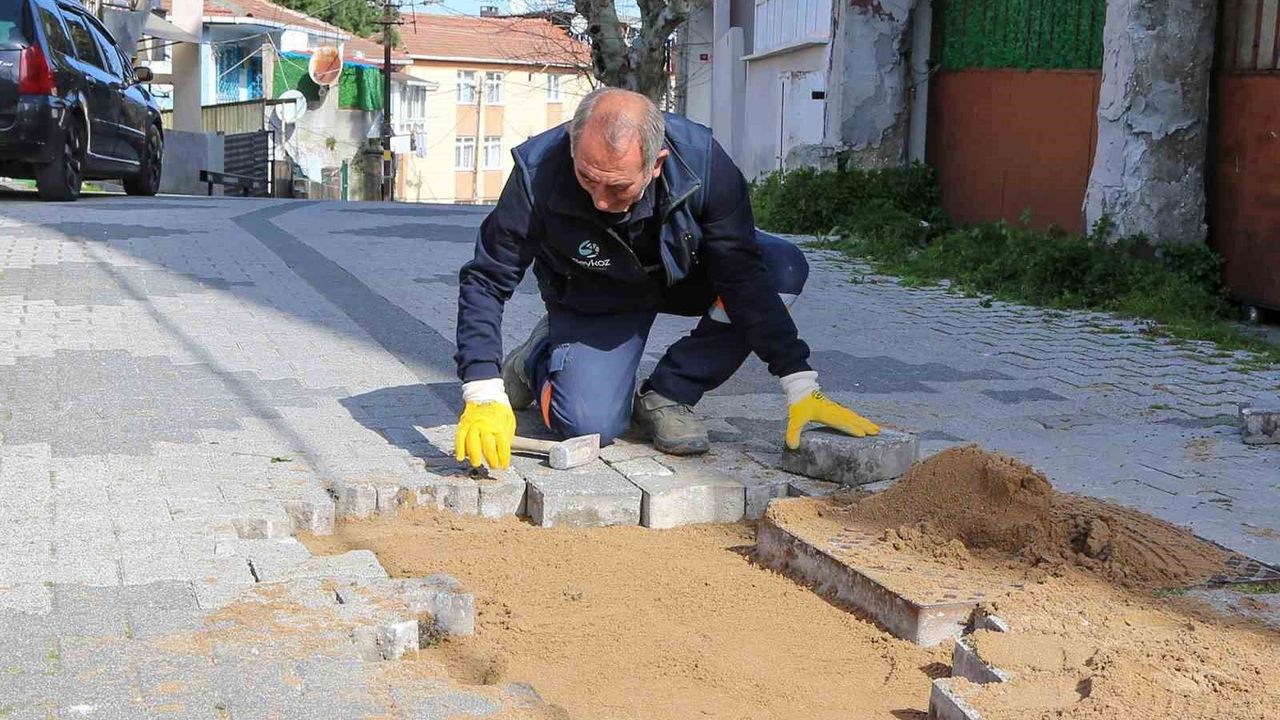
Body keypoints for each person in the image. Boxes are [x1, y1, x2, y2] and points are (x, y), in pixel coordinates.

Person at [453, 87, 879, 469]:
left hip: (681, 275)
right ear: (572, 144)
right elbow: (487, 278)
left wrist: (800, 383)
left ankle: (670, 392)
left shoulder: (703, 164)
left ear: (656, 163)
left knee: (779, 267)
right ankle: (536, 358)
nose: (600, 201)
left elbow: (742, 276)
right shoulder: (537, 171)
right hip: (594, 291)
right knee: (589, 425)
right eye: (587, 178)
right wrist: (482, 389)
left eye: (618, 187)